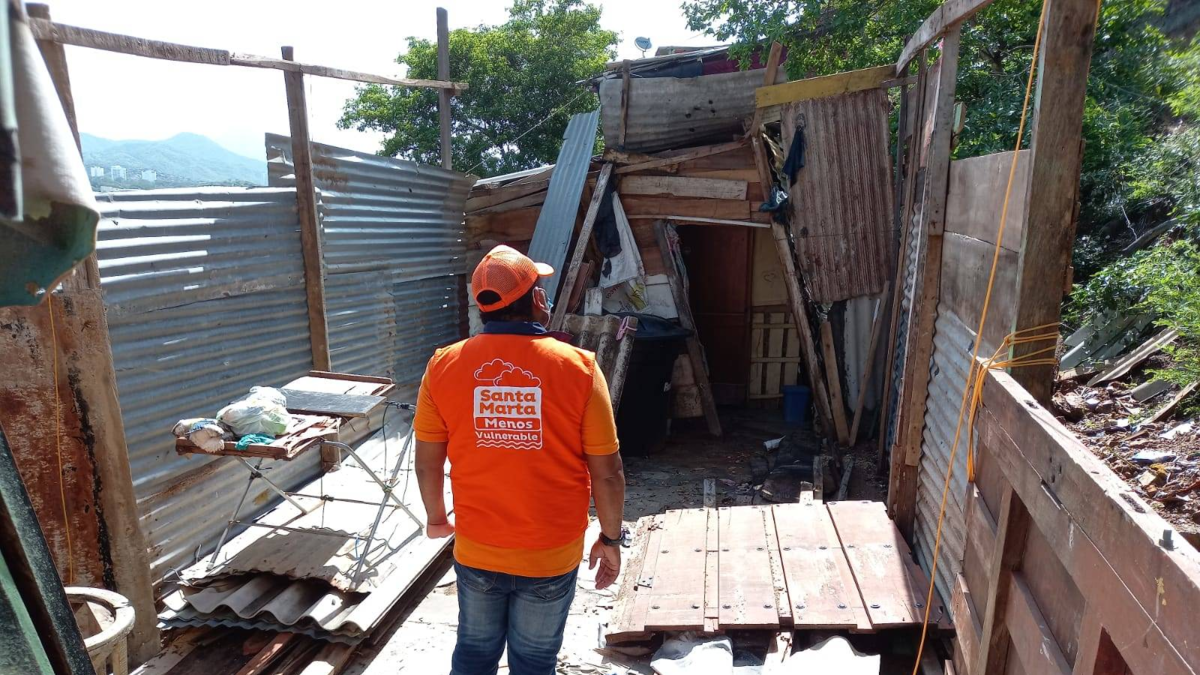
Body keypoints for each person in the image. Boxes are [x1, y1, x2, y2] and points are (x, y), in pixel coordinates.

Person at [413, 245, 627, 675]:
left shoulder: (443, 366)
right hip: (550, 553)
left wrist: (437, 518)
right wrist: (610, 538)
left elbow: (427, 462)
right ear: (536, 300)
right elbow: (608, 474)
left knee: (474, 656)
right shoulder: (579, 368)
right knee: (533, 662)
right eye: (540, 289)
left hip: (478, 548)